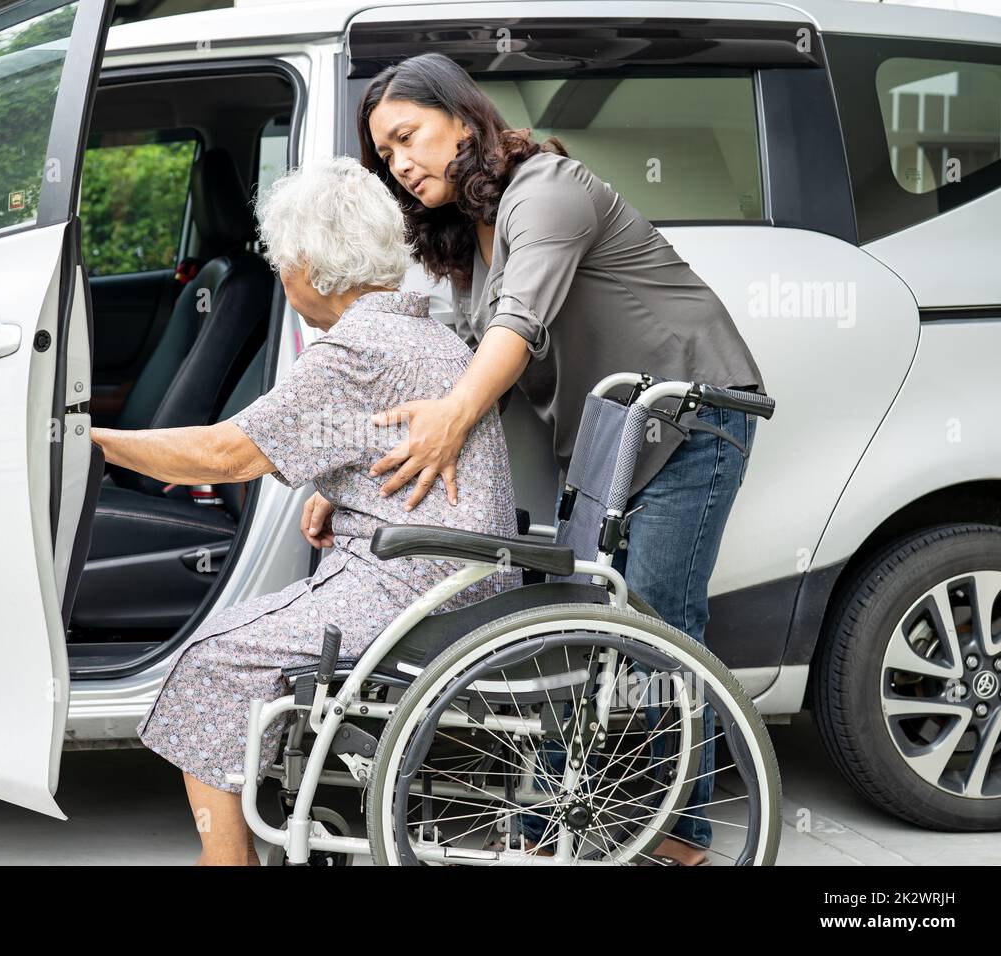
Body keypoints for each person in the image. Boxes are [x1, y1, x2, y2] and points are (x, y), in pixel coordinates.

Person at [308, 52, 765, 865]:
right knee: (581, 628)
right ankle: (571, 816)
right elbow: (448, 354)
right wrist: (337, 476)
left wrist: (452, 419)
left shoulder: (548, 189)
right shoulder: (473, 237)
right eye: (387, 157)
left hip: (689, 418)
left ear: (462, 115)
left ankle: (680, 844)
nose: (402, 165)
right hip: (609, 444)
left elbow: (515, 330)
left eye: (408, 137)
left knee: (657, 628)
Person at [91, 156, 523, 865]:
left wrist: (92, 443)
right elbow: (365, 436)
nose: (282, 277)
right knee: (239, 640)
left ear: (313, 272)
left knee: (211, 657)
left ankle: (227, 860)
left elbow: (227, 455)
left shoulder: (356, 350)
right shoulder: (415, 329)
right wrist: (334, 487)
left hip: (418, 587)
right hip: (443, 571)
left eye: (284, 261)